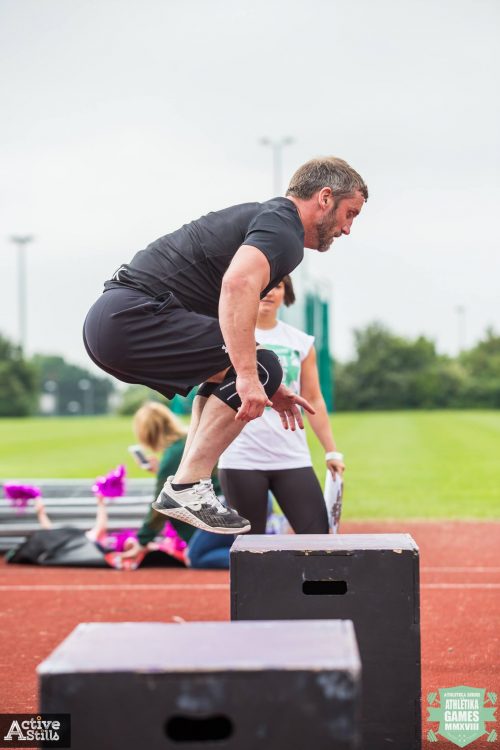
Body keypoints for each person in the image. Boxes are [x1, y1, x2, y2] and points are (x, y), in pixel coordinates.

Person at [83, 157, 368, 533]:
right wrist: (254, 374)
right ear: (325, 198)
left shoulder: (268, 220)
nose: (347, 229)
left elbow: (231, 321)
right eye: (350, 214)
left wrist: (264, 382)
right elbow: (237, 286)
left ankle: (187, 483)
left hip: (114, 322)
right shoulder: (283, 229)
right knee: (261, 365)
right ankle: (188, 484)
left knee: (251, 370)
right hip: (134, 316)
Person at [218, 275, 344, 533]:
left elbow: (314, 398)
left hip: (291, 456)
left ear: (286, 293)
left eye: (277, 286)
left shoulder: (301, 342)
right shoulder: (230, 336)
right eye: (263, 286)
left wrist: (331, 450)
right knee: (250, 549)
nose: (269, 292)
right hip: (241, 457)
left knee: (318, 539)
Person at [130, 401, 234, 569]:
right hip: (235, 501)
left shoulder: (173, 455)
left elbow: (162, 506)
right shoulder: (189, 440)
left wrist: (142, 541)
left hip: (224, 509)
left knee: (196, 557)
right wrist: (161, 472)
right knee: (205, 551)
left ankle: (256, 563)